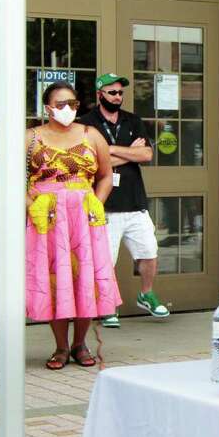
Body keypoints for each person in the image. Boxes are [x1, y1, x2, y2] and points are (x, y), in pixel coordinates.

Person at [25, 82, 119, 370]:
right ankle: (61, 347)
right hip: (47, 218)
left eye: (73, 104)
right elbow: (12, 176)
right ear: (48, 107)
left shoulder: (91, 135)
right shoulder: (30, 137)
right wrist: (31, 205)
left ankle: (80, 343)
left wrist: (97, 202)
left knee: (84, 279)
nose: (68, 109)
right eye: (61, 103)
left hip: (83, 218)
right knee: (56, 278)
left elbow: (105, 175)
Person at [77, 73, 168, 328]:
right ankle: (106, 306)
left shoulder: (133, 120)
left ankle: (146, 293)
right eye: (112, 92)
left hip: (135, 202)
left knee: (149, 252)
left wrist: (110, 149)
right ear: (100, 95)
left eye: (120, 93)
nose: (117, 97)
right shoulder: (85, 124)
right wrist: (130, 152)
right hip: (105, 204)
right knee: (106, 260)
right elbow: (92, 162)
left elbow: (147, 154)